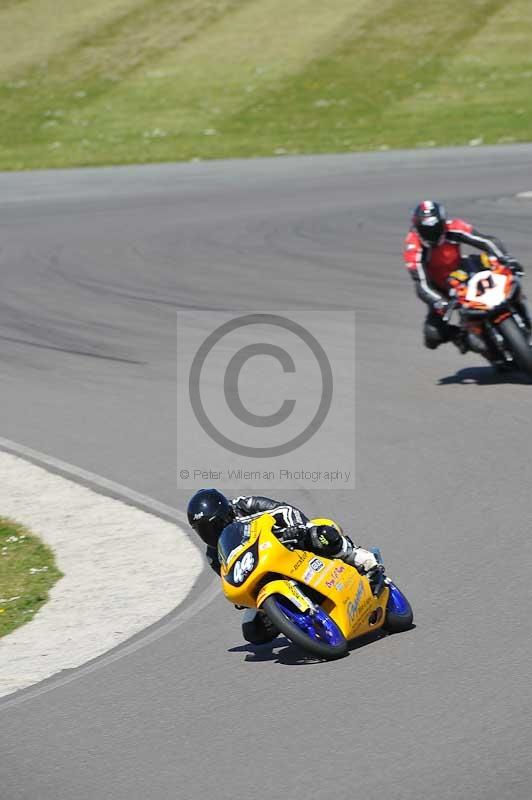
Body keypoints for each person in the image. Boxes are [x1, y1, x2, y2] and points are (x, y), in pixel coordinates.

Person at [187, 488, 380, 644]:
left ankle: (358, 557)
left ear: (225, 513)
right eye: (202, 530)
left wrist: (297, 529)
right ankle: (292, 616)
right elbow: (229, 576)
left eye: (213, 525)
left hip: (287, 545)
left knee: (318, 535)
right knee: (253, 632)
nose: (210, 533)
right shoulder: (213, 555)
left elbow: (284, 510)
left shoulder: (246, 505)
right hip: (259, 573)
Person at [404, 200, 528, 353]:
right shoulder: (413, 248)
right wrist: (439, 302)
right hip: (439, 289)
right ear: (417, 228)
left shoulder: (453, 227)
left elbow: (487, 241)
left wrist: (506, 258)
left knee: (508, 276)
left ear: (443, 223)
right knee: (432, 335)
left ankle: (524, 318)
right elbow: (421, 284)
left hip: (463, 271)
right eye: (427, 231)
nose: (433, 235)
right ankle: (462, 337)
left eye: (436, 229)